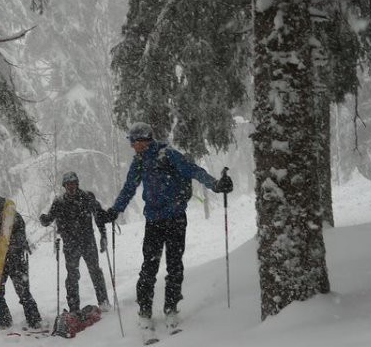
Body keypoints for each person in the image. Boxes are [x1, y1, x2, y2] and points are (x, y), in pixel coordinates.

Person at [100, 123, 233, 335]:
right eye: (132, 143)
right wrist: (114, 211)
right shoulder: (139, 162)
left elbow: (194, 171)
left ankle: (171, 308)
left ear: (145, 140)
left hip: (176, 219)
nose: (134, 147)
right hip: (153, 221)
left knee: (174, 265)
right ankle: (144, 312)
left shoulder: (168, 155)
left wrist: (216, 185)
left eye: (135, 142)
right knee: (149, 268)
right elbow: (128, 189)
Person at [39, 171, 110, 312]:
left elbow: (99, 217)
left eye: (73, 184)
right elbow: (50, 218)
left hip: (87, 241)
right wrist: (45, 219)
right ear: (64, 186)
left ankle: (103, 303)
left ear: (77, 184)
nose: (71, 187)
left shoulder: (87, 197)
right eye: (68, 184)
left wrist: (103, 236)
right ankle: (74, 309)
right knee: (72, 276)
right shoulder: (59, 202)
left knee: (95, 272)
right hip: (70, 244)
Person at [0, 193, 43, 330]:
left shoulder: (13, 215)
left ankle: (34, 320)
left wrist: (8, 248)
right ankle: (5, 322)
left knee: (23, 291)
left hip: (16, 258)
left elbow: (21, 236)